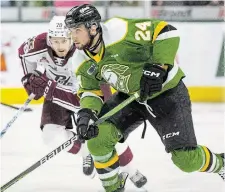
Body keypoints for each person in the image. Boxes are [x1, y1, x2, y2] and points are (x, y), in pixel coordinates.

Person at [22, 4, 224, 191]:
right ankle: (114, 187)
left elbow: (166, 30)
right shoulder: (80, 59)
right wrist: (87, 113)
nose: (72, 37)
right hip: (130, 97)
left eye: (77, 30)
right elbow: (90, 91)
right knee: (97, 139)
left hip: (166, 94)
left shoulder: (119, 31)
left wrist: (159, 66)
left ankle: (221, 163)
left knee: (186, 161)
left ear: (93, 28)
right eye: (70, 31)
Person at [19, 15, 147, 188]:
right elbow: (23, 53)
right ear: (49, 40)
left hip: (91, 92)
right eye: (55, 41)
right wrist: (30, 82)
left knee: (106, 133)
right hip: (55, 92)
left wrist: (48, 88)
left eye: (63, 41)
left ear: (72, 38)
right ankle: (86, 151)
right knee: (50, 135)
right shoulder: (38, 45)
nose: (59, 46)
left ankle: (131, 169)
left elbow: (80, 97)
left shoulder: (83, 52)